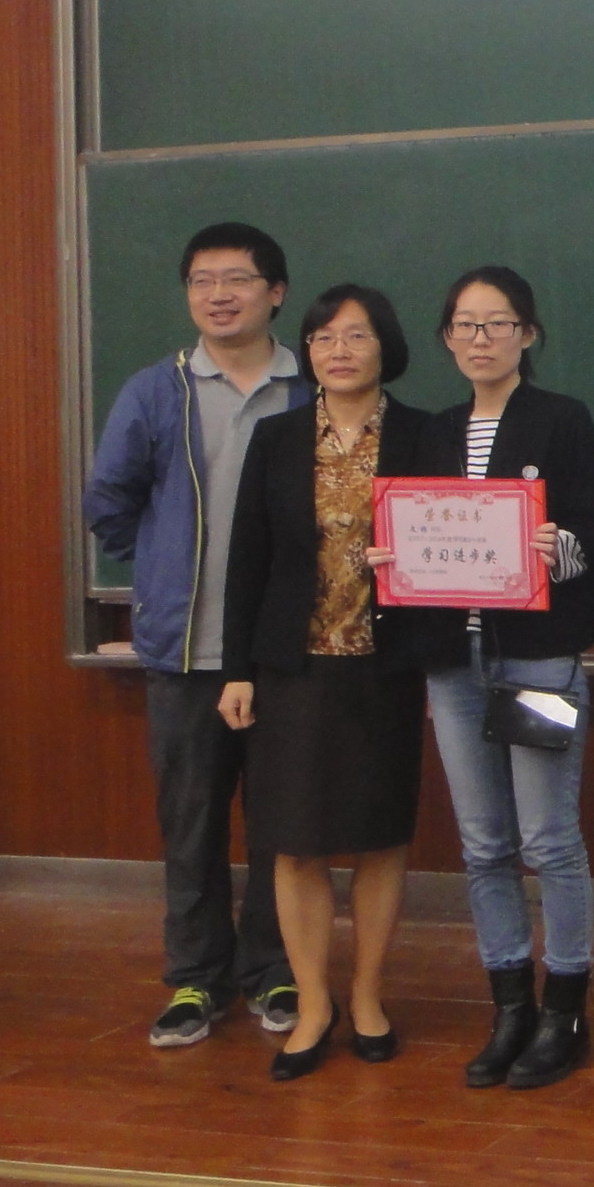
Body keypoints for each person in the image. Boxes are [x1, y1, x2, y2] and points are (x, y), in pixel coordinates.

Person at [83, 222, 305, 1051]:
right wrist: (166, 564)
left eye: (237, 278)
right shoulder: (156, 390)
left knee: (285, 824)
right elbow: (109, 501)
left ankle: (275, 969)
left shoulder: (313, 385)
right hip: (186, 652)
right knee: (191, 823)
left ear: (276, 292)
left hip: (286, 651)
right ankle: (194, 979)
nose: (219, 294)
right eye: (202, 280)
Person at [217, 285, 441, 1081]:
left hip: (386, 665)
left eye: (356, 336)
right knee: (294, 840)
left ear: (387, 347)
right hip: (293, 666)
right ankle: (312, 1005)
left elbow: (458, 545)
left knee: (380, 836)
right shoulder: (276, 438)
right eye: (321, 338)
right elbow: (246, 560)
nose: (337, 351)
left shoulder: (425, 435)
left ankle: (368, 996)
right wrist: (237, 670)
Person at [418, 267, 594, 1091]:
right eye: (465, 324)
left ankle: (565, 1011)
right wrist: (396, 556)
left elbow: (590, 536)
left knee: (547, 840)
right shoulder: (432, 431)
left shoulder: (561, 419)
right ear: (447, 338)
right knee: (484, 845)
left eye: (498, 323)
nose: (481, 338)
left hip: (537, 656)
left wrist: (550, 545)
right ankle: (509, 1007)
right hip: (453, 662)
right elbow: (415, 527)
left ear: (527, 334)